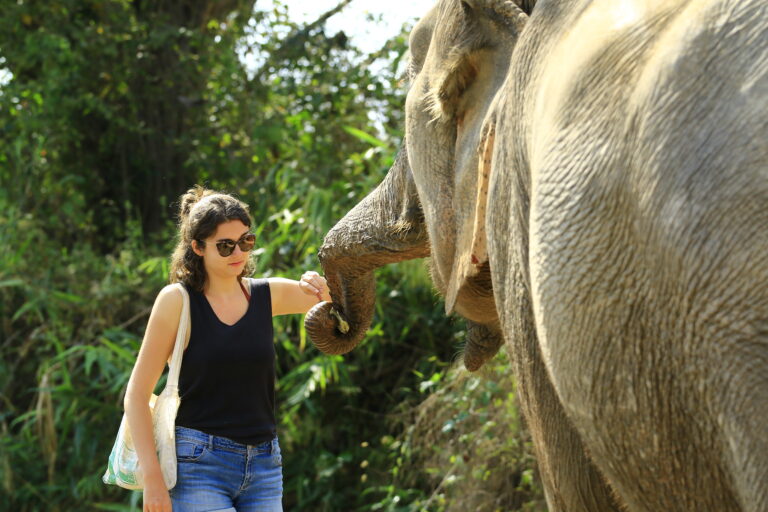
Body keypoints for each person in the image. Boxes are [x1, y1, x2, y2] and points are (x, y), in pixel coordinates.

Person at [123, 186, 331, 512]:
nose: (238, 253)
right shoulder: (177, 302)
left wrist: (318, 284)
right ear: (197, 247)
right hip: (198, 463)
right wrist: (152, 478)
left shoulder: (266, 295)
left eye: (246, 241)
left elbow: (336, 304)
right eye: (225, 245)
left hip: (264, 463)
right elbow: (136, 394)